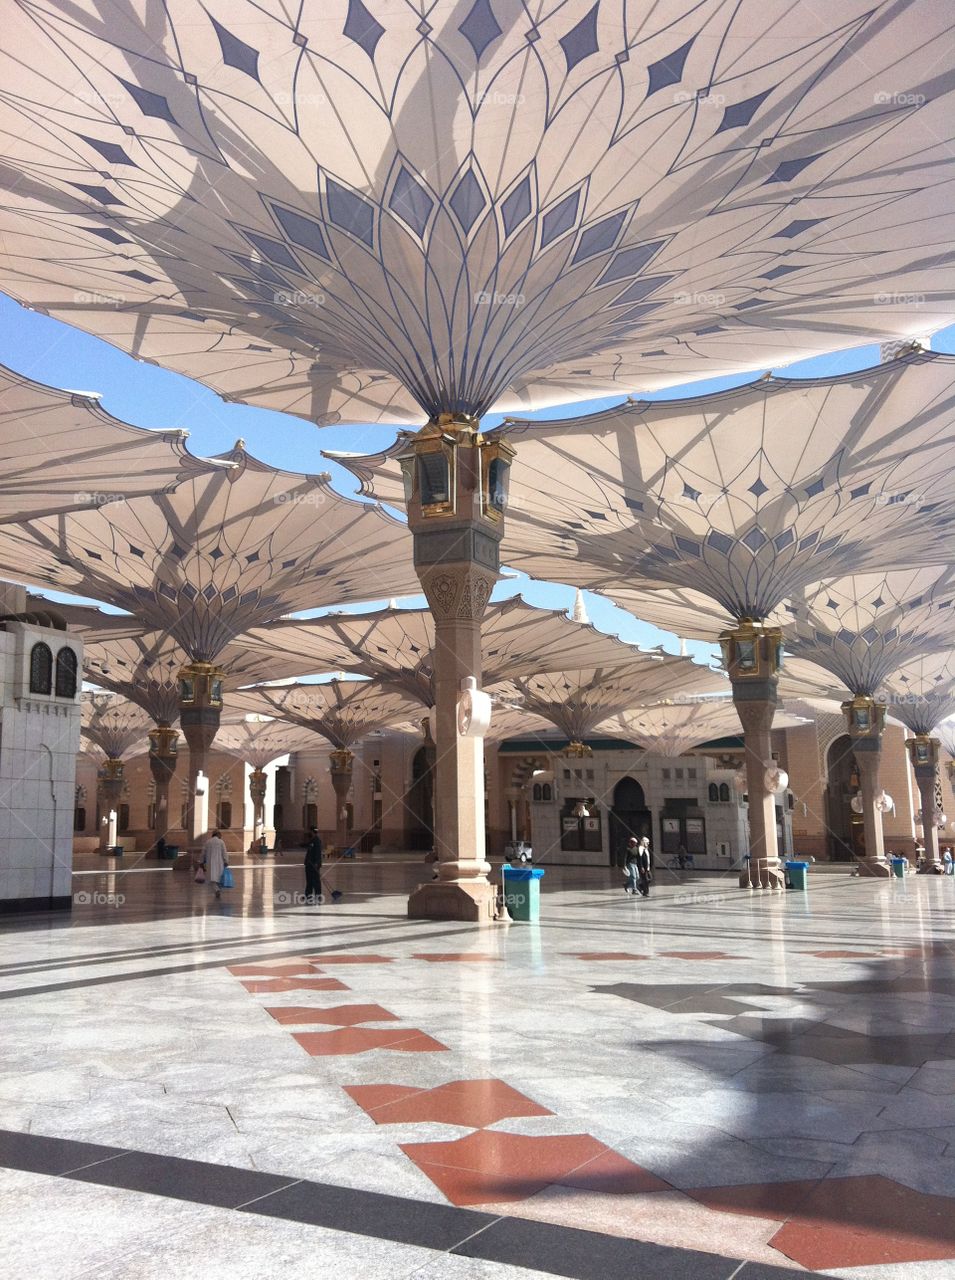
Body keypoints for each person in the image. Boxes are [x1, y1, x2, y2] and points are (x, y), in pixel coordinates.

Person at [202, 829, 228, 900]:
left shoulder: (208, 842)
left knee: (212, 879)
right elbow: (224, 852)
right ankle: (217, 890)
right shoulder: (221, 842)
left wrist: (201, 862)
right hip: (220, 863)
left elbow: (203, 853)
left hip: (210, 863)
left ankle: (216, 890)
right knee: (219, 877)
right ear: (218, 834)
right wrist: (226, 861)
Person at [304, 827, 324, 903]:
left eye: (309, 831)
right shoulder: (312, 840)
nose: (308, 832)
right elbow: (307, 845)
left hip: (314, 864)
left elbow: (318, 853)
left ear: (312, 831)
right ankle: (308, 895)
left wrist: (317, 863)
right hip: (309, 864)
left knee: (316, 881)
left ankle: (318, 895)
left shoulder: (317, 841)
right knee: (309, 880)